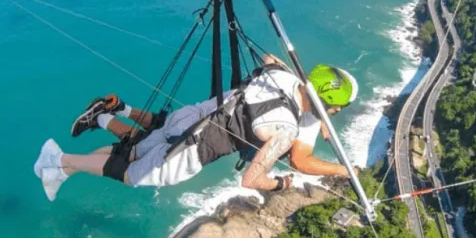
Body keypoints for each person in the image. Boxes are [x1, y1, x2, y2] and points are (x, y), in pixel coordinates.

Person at [33, 56, 359, 201]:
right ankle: (60, 161)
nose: (334, 114)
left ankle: (65, 169)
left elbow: (270, 57)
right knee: (128, 173)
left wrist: (318, 120)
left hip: (190, 118)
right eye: (333, 110)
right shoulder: (285, 130)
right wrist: (281, 185)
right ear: (323, 104)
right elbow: (251, 179)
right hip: (190, 150)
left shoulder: (282, 76)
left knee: (131, 152)